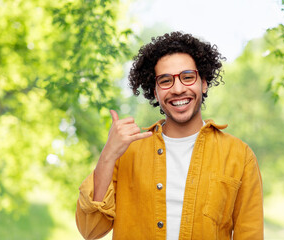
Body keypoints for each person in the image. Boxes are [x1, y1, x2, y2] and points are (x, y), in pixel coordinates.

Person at [76, 31, 264, 240]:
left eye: (188, 77)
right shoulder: (127, 151)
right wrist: (108, 154)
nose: (178, 88)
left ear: (204, 82)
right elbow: (90, 230)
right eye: (165, 81)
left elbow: (250, 235)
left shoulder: (239, 155)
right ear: (155, 91)